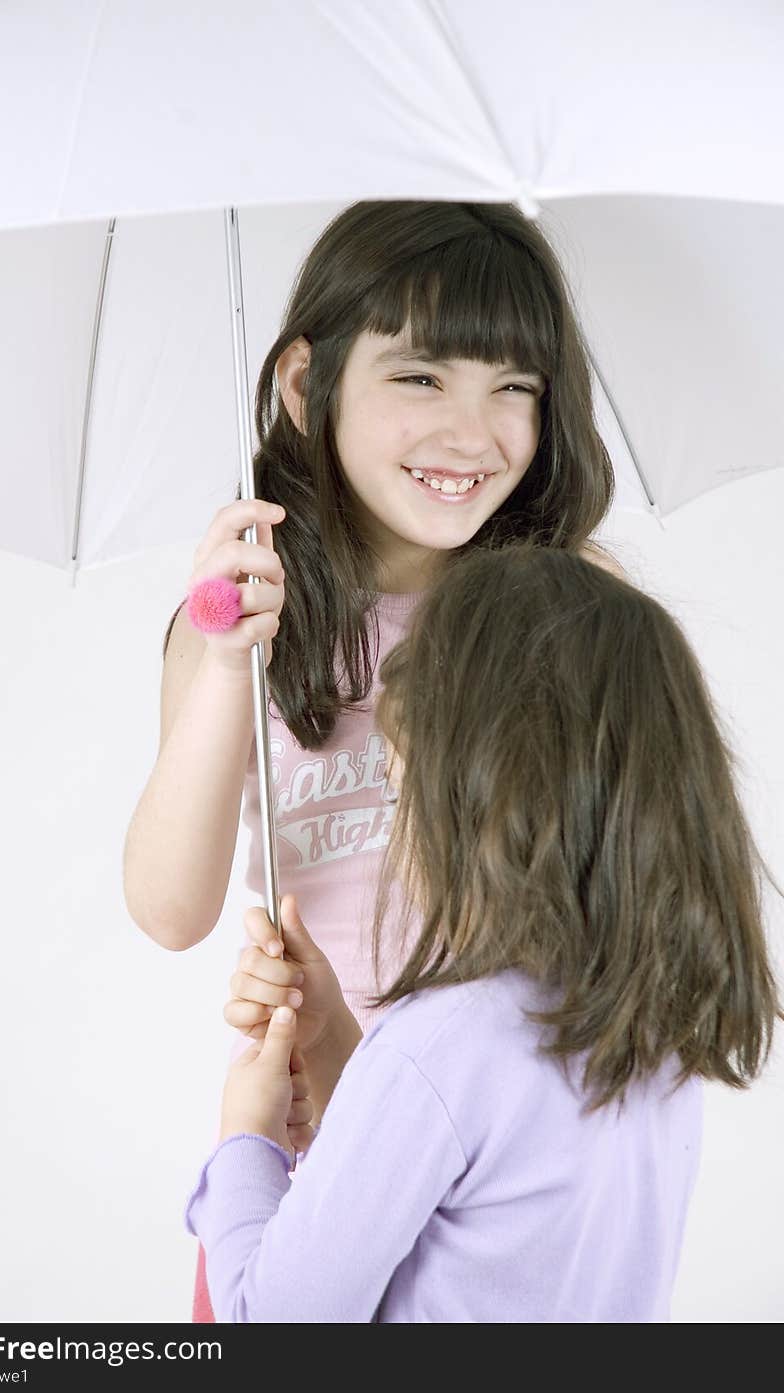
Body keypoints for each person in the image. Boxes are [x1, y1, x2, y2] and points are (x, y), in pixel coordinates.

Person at [123, 200, 618, 1320]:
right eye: (421, 378)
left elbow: (621, 898)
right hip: (307, 1155)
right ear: (305, 386)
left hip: (500, 1175)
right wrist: (216, 664)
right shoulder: (247, 635)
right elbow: (167, 906)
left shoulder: (571, 615)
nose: (472, 430)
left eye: (515, 388)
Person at [189, 546, 780, 1323]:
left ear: (483, 807)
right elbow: (469, 1203)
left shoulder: (438, 1045)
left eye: (401, 790)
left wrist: (248, 1140)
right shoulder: (656, 1044)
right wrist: (337, 1044)